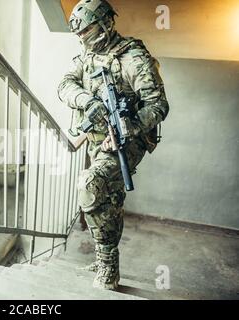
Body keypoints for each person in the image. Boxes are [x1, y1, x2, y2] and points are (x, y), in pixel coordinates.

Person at [57, 0, 169, 290]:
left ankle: (108, 266)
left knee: (90, 185)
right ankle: (102, 255)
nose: (81, 37)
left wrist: (128, 126)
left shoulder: (133, 57)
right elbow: (65, 84)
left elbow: (158, 106)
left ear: (106, 24)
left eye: (87, 30)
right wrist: (87, 101)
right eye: (79, 33)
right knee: (111, 199)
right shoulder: (89, 54)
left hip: (126, 140)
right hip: (95, 139)